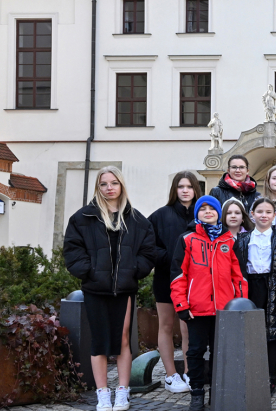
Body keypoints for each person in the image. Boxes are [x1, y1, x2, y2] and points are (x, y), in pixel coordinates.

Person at [64, 166, 156, 411]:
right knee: (100, 341)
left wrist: (135, 270)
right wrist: (89, 272)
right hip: (95, 289)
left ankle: (123, 391)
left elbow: (149, 251)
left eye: (113, 183)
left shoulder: (136, 219)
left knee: (123, 339)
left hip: (124, 289)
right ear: (98, 187)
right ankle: (102, 392)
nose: (109, 188)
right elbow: (72, 250)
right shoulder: (83, 218)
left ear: (121, 185)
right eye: (103, 184)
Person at [170, 195, 247, 411]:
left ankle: (217, 391)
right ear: (197, 214)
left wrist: (239, 305)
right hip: (196, 309)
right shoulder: (187, 240)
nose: (207, 212)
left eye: (211, 208)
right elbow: (178, 276)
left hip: (224, 310)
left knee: (219, 352)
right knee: (195, 351)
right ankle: (196, 392)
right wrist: (181, 305)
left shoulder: (230, 241)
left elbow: (239, 276)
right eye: (202, 209)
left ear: (217, 213)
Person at [147, 171, 204, 394]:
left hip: (194, 282)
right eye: (181, 186)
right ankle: (171, 375)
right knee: (166, 326)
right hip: (165, 278)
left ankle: (190, 373)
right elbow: (149, 246)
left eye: (189, 187)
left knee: (189, 328)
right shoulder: (160, 215)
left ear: (196, 190)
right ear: (175, 189)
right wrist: (171, 258)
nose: (185, 190)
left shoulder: (202, 216)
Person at [234, 197, 276, 395]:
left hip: (273, 290)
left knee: (271, 335)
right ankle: (248, 375)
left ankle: (269, 378)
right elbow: (236, 269)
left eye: (268, 212)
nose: (264, 215)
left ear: (274, 216)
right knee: (249, 332)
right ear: (252, 215)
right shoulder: (243, 239)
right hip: (250, 288)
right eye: (260, 212)